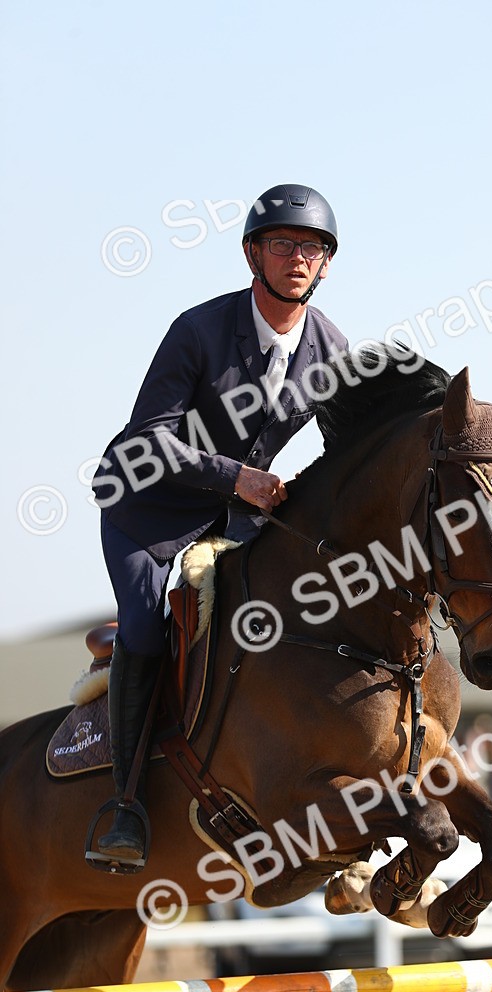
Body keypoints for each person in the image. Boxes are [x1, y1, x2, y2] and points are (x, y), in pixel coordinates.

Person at [87, 184, 348, 871]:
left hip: (236, 516)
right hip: (146, 506)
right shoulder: (199, 330)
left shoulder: (329, 345)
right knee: (146, 627)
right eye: (284, 244)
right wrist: (239, 478)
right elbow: (148, 440)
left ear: (326, 265)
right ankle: (124, 806)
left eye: (313, 247)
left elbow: (348, 450)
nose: (299, 257)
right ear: (251, 255)